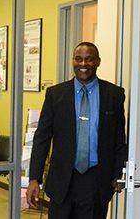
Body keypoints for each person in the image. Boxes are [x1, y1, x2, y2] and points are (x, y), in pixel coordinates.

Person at [26, 42, 128, 219]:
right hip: (62, 179)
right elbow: (42, 138)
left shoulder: (114, 95)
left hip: (96, 180)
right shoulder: (55, 94)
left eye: (89, 60)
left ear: (98, 62)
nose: (83, 64)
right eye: (78, 59)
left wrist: (118, 174)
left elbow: (119, 140)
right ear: (73, 61)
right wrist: (34, 178)